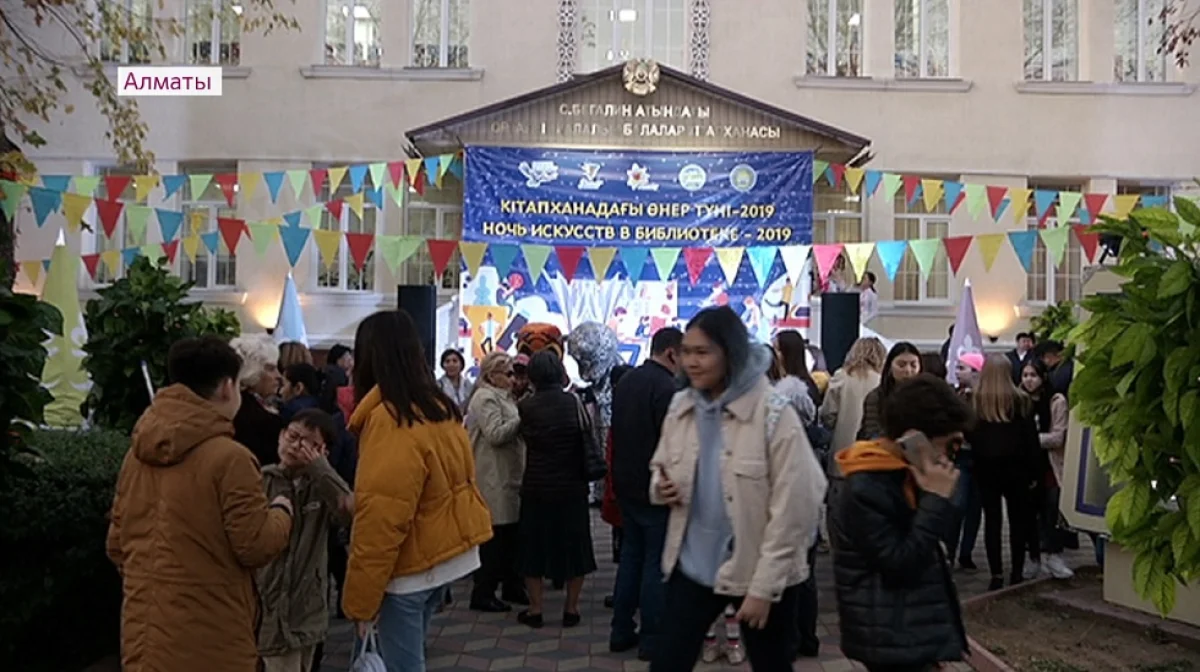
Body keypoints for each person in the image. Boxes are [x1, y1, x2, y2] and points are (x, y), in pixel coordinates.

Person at [649, 306, 827, 672]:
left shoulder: (773, 413)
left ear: (729, 353)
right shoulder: (681, 406)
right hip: (694, 564)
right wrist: (660, 486)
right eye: (687, 351)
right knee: (667, 662)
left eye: (703, 352)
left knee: (772, 665)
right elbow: (661, 464)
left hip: (759, 567)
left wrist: (764, 587)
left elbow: (799, 504)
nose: (691, 362)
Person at [106, 336, 293, 672]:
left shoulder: (136, 455)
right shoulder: (230, 459)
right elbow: (255, 545)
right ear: (226, 386)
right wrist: (282, 511)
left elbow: (117, 545)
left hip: (145, 636)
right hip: (213, 638)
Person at [343, 310, 493, 672]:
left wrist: (361, 604)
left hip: (409, 568)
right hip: (445, 554)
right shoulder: (437, 407)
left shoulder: (391, 418)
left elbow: (383, 517)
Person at [830, 374, 973, 672]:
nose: (949, 457)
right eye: (949, 445)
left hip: (908, 630)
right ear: (914, 439)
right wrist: (935, 499)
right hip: (888, 634)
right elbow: (899, 562)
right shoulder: (867, 484)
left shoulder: (906, 472)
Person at [257, 409, 353, 672]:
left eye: (309, 443)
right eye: (292, 436)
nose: (296, 446)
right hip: (266, 603)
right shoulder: (261, 480)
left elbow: (348, 510)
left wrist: (320, 469)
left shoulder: (321, 485)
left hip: (306, 608)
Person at [608, 327, 682, 660]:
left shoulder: (627, 381)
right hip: (656, 486)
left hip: (625, 483)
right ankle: (652, 639)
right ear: (671, 353)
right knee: (656, 563)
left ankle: (620, 630)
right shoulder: (666, 388)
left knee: (631, 558)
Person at [515, 351, 598, 628]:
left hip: (537, 486)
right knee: (576, 548)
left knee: (533, 549)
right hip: (572, 486)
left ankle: (536, 609)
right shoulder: (573, 402)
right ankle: (571, 609)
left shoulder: (526, 406)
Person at [968, 356, 1042, 591]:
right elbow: (1031, 441)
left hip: (986, 468)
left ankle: (996, 573)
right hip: (1017, 469)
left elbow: (971, 436)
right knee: (1017, 521)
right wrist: (1034, 473)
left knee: (992, 521)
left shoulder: (976, 401)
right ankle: (1017, 571)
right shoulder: (1021, 401)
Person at [466, 352, 529, 612]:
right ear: (492, 375)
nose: (513, 379)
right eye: (509, 374)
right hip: (493, 476)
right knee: (494, 539)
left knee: (511, 536)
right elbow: (494, 434)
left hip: (508, 474)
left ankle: (512, 586)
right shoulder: (485, 398)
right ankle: (484, 592)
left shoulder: (504, 397)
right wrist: (522, 418)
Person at [1021, 360, 1074, 580]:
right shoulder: (1019, 400)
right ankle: (1033, 557)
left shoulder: (1056, 401)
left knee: (1051, 509)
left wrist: (1029, 440)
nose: (1028, 380)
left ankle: (1054, 555)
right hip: (1027, 466)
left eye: (1033, 375)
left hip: (1050, 465)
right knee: (1029, 514)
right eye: (1025, 375)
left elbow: (1057, 437)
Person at [947, 351, 985, 570]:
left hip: (978, 458)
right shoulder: (956, 395)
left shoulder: (983, 399)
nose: (958, 372)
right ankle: (950, 551)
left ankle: (966, 553)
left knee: (974, 509)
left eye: (963, 368)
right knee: (957, 505)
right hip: (960, 457)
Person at [231, 334, 286, 467]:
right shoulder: (265, 422)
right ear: (251, 372)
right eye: (271, 369)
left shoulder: (227, 406)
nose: (278, 376)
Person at [857, 342, 922, 440]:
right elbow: (872, 432)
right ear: (890, 367)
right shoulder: (876, 397)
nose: (908, 370)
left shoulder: (927, 396)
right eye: (901, 365)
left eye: (913, 365)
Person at [774, 329, 822, 411]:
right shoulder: (777, 381)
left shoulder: (802, 389)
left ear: (787, 353)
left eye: (776, 349)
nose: (773, 353)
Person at [437, 349, 474, 414]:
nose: (451, 365)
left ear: (461, 364)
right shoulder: (438, 385)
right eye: (447, 361)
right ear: (443, 365)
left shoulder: (468, 385)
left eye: (455, 361)